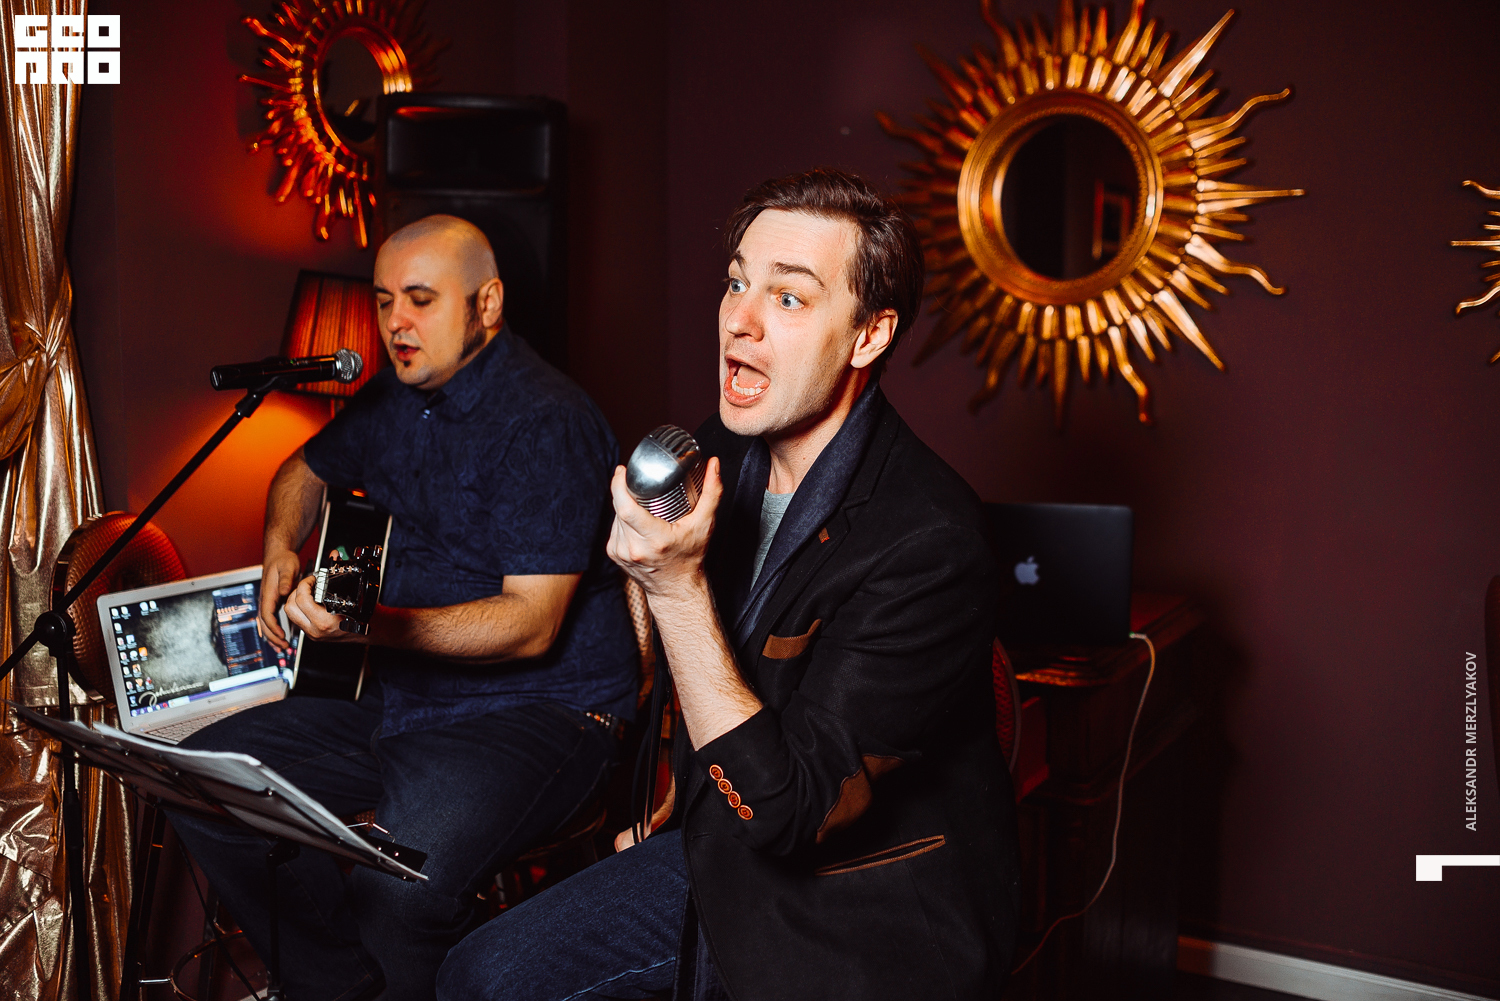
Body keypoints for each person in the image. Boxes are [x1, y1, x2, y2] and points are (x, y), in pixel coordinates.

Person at [438, 170, 1019, 1000]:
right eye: (737, 282)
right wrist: (674, 797)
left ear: (868, 334)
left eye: (788, 297)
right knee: (477, 971)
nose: (740, 320)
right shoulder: (725, 448)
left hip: (854, 908)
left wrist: (675, 588)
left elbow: (793, 811)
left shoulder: (932, 541)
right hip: (719, 840)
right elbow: (707, 668)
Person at [171, 215, 638, 1001]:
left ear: (487, 304)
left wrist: (373, 625)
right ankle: (343, 987)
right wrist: (281, 545)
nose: (395, 322)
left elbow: (532, 625)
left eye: (421, 299)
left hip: (543, 710)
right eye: (385, 300)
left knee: (398, 887)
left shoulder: (547, 420)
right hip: (407, 694)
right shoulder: (397, 396)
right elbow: (302, 469)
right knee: (203, 780)